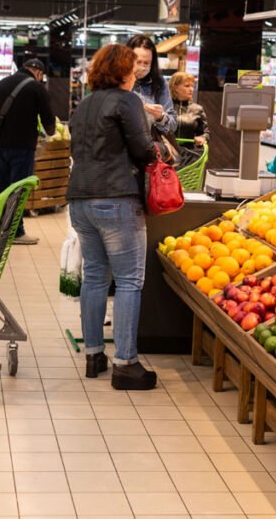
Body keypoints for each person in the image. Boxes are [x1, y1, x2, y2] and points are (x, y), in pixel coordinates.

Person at [67, 44, 164, 391]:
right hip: (117, 199)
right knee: (127, 281)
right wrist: (160, 149)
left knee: (93, 277)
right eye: (132, 68)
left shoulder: (84, 105)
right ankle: (126, 363)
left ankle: (94, 354)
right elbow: (142, 149)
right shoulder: (127, 101)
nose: (136, 73)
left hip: (80, 198)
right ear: (122, 72)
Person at [0, 58, 55, 246]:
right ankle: (16, 232)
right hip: (22, 147)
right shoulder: (36, 88)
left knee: (0, 189)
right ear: (38, 72)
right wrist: (51, 132)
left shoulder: (1, 84)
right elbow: (48, 117)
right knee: (18, 189)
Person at [126, 35, 177, 137]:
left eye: (146, 63)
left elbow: (173, 124)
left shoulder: (159, 83)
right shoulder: (118, 81)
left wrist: (160, 117)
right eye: (138, 62)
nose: (142, 66)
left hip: (149, 147)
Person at [169, 72, 208, 146]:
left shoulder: (198, 109)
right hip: (165, 153)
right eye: (187, 86)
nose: (191, 89)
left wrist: (202, 138)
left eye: (192, 86)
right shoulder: (164, 107)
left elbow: (205, 133)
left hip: (189, 153)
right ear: (175, 87)